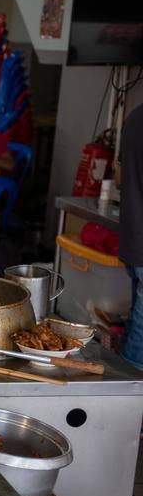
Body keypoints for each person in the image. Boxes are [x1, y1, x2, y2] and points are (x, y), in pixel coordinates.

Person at [118, 102, 143, 368]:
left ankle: (122, 376)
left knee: (137, 320)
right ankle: (133, 395)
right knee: (142, 328)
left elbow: (118, 177)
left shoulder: (135, 115)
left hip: (134, 239)